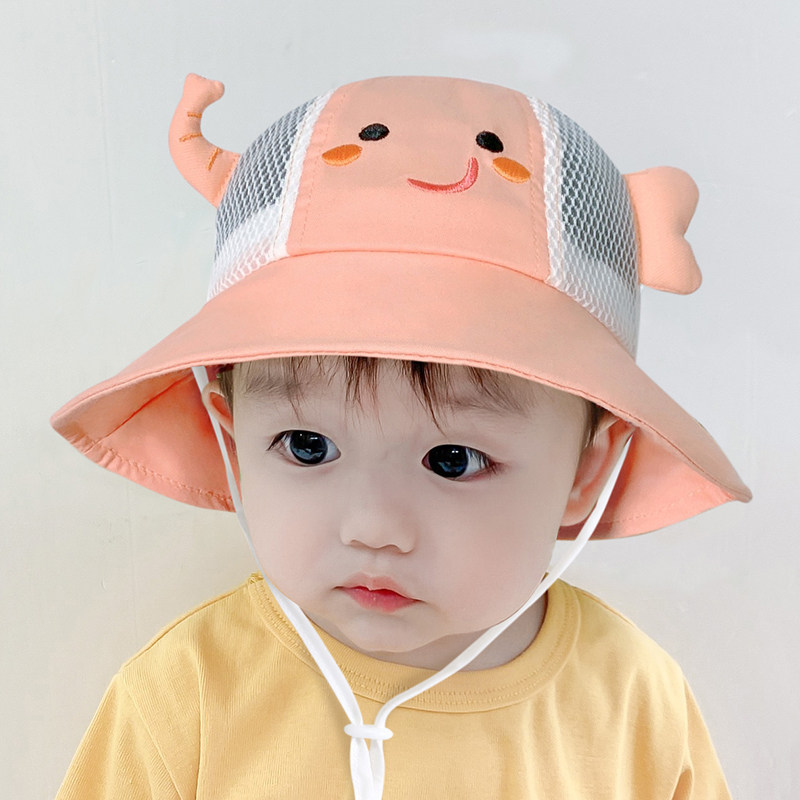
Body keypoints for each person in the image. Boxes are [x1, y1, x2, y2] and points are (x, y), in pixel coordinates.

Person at [51, 73, 751, 799]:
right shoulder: (184, 699)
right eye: (308, 446)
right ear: (231, 443)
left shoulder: (633, 706)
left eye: (453, 460)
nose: (374, 528)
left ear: (585, 469)